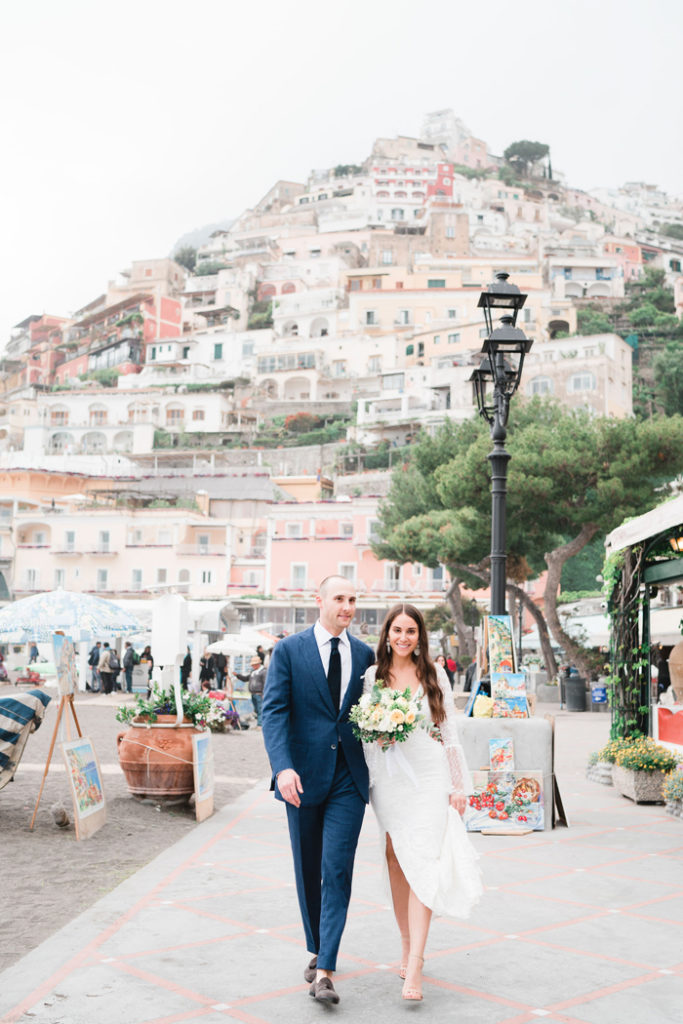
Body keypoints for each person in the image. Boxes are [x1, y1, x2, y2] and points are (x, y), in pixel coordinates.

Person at [262, 575, 374, 1005]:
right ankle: (317, 945)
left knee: (338, 868)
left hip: (349, 777)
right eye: (340, 598)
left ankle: (325, 969)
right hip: (302, 778)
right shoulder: (289, 650)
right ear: (320, 601)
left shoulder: (364, 655)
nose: (347, 606)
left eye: (353, 599)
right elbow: (273, 713)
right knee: (308, 868)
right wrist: (283, 767)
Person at [362, 603, 482, 1001]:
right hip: (390, 781)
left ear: (419, 636)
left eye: (410, 631)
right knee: (396, 858)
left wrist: (458, 786)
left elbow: (449, 735)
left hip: (429, 777)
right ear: (387, 633)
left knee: (424, 863)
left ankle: (416, 962)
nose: (403, 637)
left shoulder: (434, 675)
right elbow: (363, 732)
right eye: (397, 630)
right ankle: (404, 941)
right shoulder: (372, 677)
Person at [234, 655, 267, 727]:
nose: (252, 666)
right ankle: (260, 723)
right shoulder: (253, 672)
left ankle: (260, 725)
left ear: (258, 664)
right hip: (253, 693)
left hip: (259, 693)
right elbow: (245, 678)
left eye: (254, 665)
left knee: (260, 709)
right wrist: (238, 675)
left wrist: (264, 693)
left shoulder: (263, 672)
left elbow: (265, 683)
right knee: (257, 710)